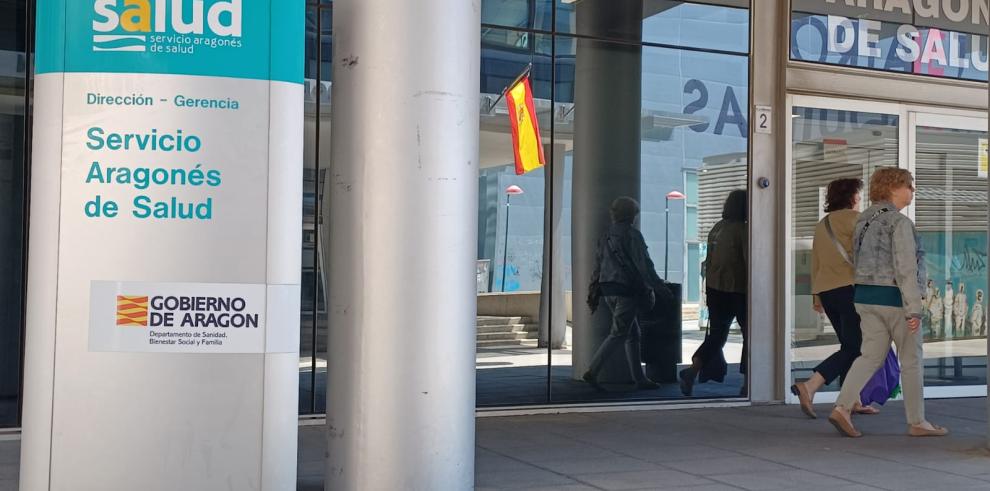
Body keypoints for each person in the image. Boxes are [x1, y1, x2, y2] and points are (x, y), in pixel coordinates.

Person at [827, 167, 947, 438]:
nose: (912, 192)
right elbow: (905, 267)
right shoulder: (899, 223)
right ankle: (917, 421)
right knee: (911, 359)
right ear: (893, 188)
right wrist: (914, 308)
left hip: (865, 298)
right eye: (909, 186)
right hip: (895, 299)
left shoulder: (864, 220)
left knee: (869, 356)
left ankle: (842, 407)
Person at [791, 178, 878, 418]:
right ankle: (810, 385)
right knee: (856, 347)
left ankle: (851, 400)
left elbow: (816, 263)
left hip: (828, 292)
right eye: (859, 195)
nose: (860, 199)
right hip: (850, 290)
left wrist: (816, 297)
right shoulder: (857, 220)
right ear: (851, 197)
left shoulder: (822, 224)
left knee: (850, 346)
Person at [584, 197, 671, 391]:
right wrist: (658, 285)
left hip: (608, 290)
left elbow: (598, 265)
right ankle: (592, 371)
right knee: (619, 333)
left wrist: (594, 289)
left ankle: (639, 379)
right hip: (627, 291)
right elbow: (644, 264)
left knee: (633, 334)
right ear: (632, 215)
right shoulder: (633, 235)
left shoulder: (605, 236)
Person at [679, 190, 747, 396]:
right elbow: (749, 261)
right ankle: (749, 384)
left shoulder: (717, 228)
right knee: (751, 337)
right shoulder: (742, 230)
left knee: (717, 335)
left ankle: (693, 370)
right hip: (739, 289)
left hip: (715, 290)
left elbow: (707, 261)